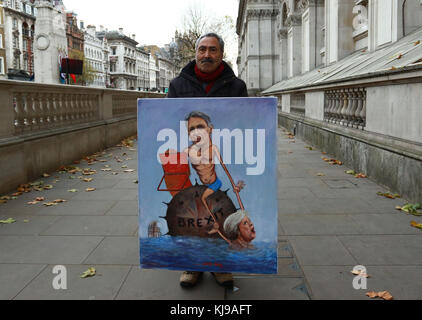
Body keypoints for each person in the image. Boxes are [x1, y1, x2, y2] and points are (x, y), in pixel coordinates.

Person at [167, 32, 248, 289]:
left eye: (212, 50)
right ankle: (193, 266)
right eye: (202, 49)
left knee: (219, 220)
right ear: (195, 53)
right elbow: (169, 121)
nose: (206, 55)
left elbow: (244, 127)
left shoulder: (237, 87)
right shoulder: (178, 85)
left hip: (215, 183)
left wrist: (234, 181)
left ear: (221, 54)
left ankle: (220, 267)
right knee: (193, 221)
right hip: (194, 184)